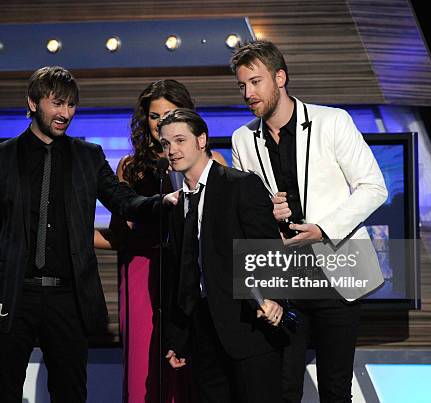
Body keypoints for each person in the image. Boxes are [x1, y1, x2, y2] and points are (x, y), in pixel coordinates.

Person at [0, 66, 163, 403]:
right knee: (3, 393)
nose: (65, 114)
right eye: (57, 104)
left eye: (71, 105)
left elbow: (123, 201)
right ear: (32, 102)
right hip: (12, 297)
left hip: (69, 298)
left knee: (71, 394)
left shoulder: (88, 156)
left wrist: (164, 203)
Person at [230, 40, 388, 403]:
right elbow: (247, 212)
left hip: (339, 269)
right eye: (242, 85)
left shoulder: (332, 121)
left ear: (280, 78)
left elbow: (373, 187)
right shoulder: (243, 139)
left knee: (335, 389)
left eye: (256, 82)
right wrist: (268, 213)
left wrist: (322, 229)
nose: (248, 93)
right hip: (284, 277)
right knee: (282, 389)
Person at [94, 79, 225, 402]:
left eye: (170, 113)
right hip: (142, 270)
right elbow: (120, 235)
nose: (162, 122)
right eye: (155, 116)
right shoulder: (130, 167)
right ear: (145, 121)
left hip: (194, 273)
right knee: (144, 369)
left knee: (193, 365)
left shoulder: (214, 162)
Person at [159, 108, 286, 403]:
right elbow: (182, 273)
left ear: (201, 140)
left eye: (180, 140)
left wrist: (274, 299)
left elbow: (268, 249)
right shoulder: (178, 201)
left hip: (249, 326)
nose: (172, 150)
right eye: (166, 144)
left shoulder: (239, 184)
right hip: (204, 333)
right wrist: (177, 337)